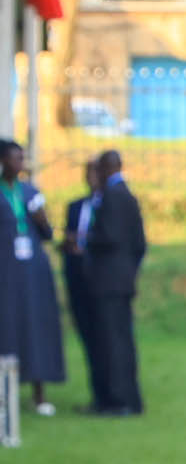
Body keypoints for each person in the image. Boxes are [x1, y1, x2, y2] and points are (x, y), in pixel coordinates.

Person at [0, 141, 66, 415]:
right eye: (16, 158)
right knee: (8, 327)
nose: (21, 164)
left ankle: (40, 393)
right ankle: (6, 394)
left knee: (36, 325)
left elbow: (48, 235)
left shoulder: (30, 192)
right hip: (6, 272)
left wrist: (42, 219)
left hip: (33, 273)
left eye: (23, 158)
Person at [80, 149, 146, 416]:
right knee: (122, 339)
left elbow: (110, 237)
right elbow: (139, 244)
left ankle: (118, 400)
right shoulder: (128, 196)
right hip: (121, 280)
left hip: (108, 282)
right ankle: (128, 398)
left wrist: (83, 240)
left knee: (112, 341)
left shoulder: (113, 197)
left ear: (107, 168)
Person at [58, 159, 104, 410]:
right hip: (79, 282)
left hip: (102, 283)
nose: (91, 178)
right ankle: (96, 395)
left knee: (105, 340)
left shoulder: (112, 206)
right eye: (88, 173)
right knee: (87, 338)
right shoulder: (75, 207)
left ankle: (110, 393)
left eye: (96, 173)